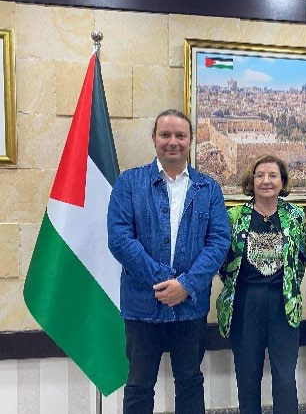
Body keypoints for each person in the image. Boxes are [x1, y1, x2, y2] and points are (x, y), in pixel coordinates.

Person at [107, 109, 231, 413]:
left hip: (190, 305)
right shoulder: (129, 183)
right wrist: (165, 281)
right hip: (142, 303)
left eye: (180, 135)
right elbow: (120, 239)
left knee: (190, 381)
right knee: (139, 385)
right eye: (165, 134)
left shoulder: (209, 189)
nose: (172, 141)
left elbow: (218, 242)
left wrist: (185, 285)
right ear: (154, 138)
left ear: (190, 140)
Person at [216, 154, 306, 413]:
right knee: (247, 375)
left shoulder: (296, 215)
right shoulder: (234, 216)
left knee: (285, 377)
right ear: (252, 180)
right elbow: (224, 263)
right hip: (245, 302)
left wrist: (288, 286)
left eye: (273, 175)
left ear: (282, 182)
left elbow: (301, 258)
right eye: (260, 175)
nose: (266, 181)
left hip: (283, 302)